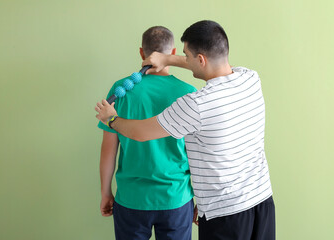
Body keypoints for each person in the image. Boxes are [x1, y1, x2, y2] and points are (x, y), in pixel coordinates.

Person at [96, 20, 276, 240]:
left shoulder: (196, 104)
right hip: (259, 202)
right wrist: (168, 58)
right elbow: (210, 62)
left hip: (223, 213)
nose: (185, 61)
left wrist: (111, 119)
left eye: (186, 56)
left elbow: (139, 133)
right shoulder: (250, 78)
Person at [98, 26, 197, 240]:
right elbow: (197, 154)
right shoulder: (189, 93)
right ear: (172, 54)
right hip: (176, 198)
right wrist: (201, 199)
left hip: (132, 199)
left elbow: (108, 151)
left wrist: (106, 193)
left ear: (142, 53)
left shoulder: (120, 91)